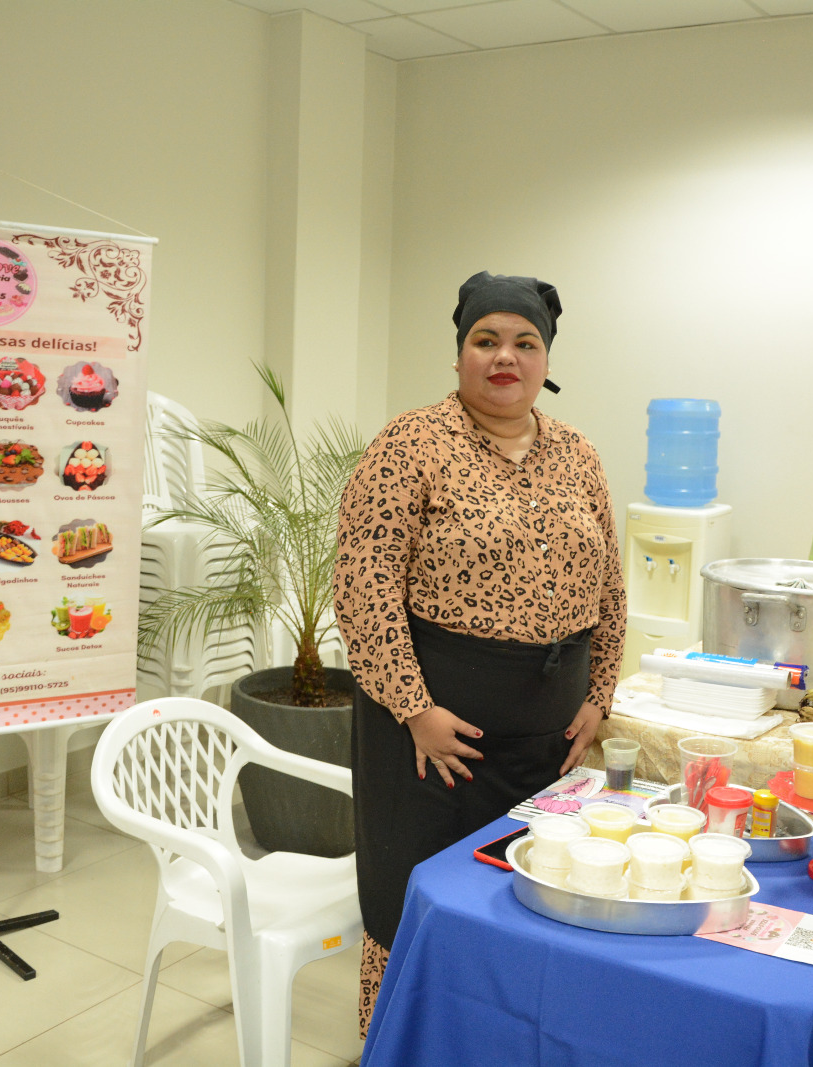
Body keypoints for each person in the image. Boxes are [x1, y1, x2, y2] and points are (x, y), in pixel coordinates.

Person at [333, 271, 627, 1039]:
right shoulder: (411, 443)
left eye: (525, 342)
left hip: (547, 741)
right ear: (460, 353)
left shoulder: (579, 454)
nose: (506, 356)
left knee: (529, 900)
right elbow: (364, 585)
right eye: (486, 339)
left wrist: (598, 694)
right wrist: (415, 710)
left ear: (547, 357)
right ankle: (402, 1046)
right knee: (419, 905)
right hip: (432, 741)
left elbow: (611, 587)